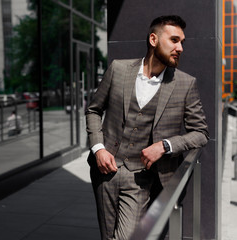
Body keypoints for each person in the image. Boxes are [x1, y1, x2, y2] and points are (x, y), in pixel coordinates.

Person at [85, 15, 209, 240]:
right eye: (173, 40)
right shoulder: (118, 69)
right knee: (107, 235)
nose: (180, 47)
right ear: (153, 39)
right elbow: (93, 110)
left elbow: (201, 134)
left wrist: (165, 145)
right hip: (104, 171)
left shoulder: (185, 83)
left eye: (182, 42)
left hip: (141, 179)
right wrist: (98, 148)